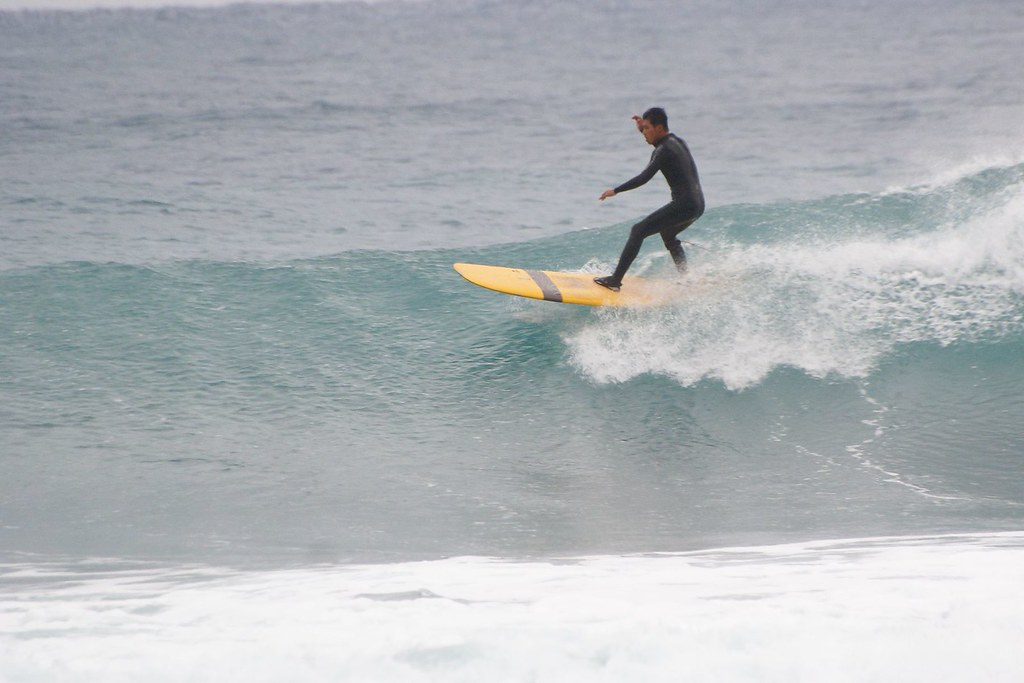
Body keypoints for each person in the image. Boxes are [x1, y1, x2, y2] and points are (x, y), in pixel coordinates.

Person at [594, 107, 705, 291]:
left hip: (684, 204)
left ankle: (614, 281)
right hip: (697, 204)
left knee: (638, 231)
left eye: (646, 128)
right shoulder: (677, 142)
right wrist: (641, 126)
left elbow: (644, 178)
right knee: (668, 233)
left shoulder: (662, 151)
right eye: (642, 129)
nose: (643, 133)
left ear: (659, 128)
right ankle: (687, 279)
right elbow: (657, 144)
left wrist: (616, 190)